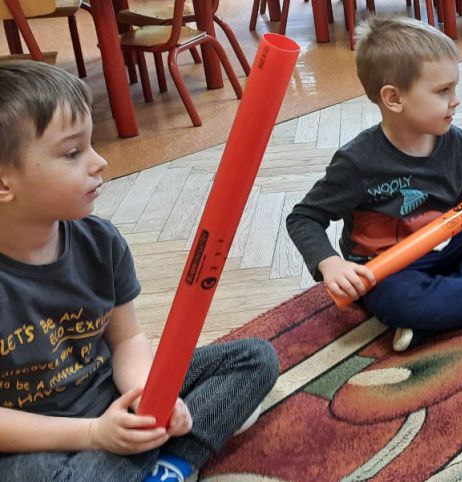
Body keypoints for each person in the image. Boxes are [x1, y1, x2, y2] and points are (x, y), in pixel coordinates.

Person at [0, 61, 277, 482]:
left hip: (108, 393)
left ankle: (170, 467)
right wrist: (94, 434)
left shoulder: (101, 241)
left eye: (92, 144)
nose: (99, 161)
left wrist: (150, 399)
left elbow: (126, 338)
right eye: (73, 153)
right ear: (4, 184)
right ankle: (150, 457)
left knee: (254, 358)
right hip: (34, 440)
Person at [287, 16, 462, 353]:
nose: (455, 99)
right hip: (389, 270)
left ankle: (439, 309)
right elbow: (303, 218)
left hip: (447, 245)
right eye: (443, 91)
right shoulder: (357, 162)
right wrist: (330, 263)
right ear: (394, 98)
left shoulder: (454, 141)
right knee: (400, 300)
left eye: (454, 88)